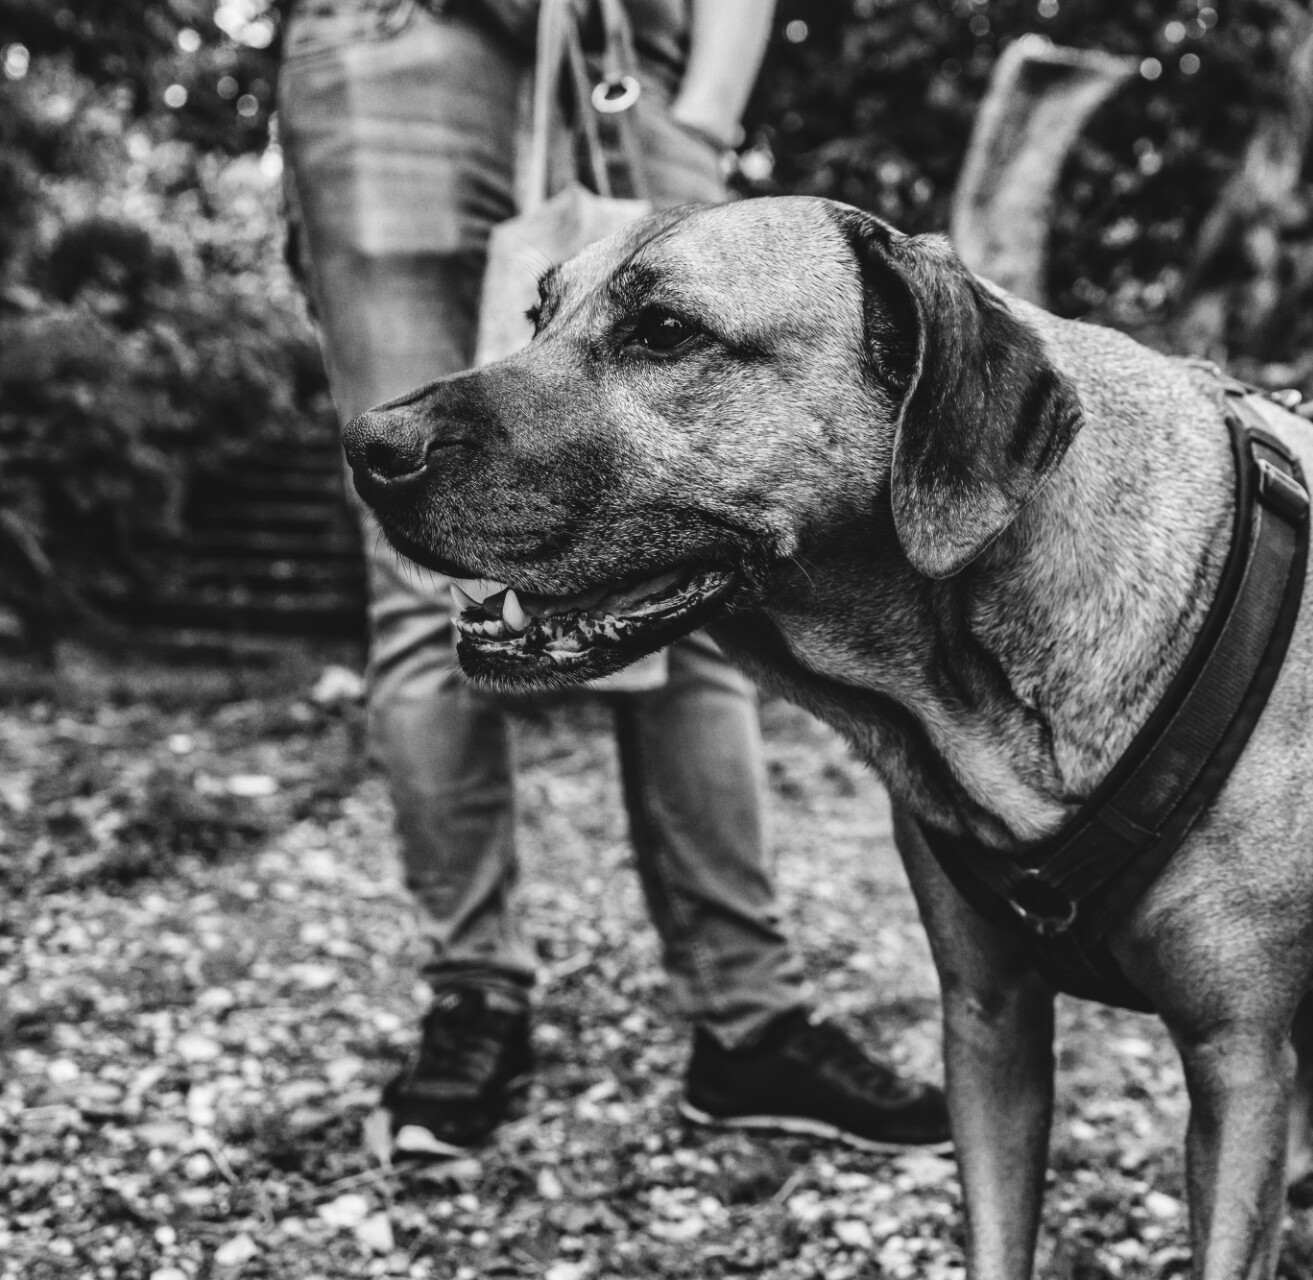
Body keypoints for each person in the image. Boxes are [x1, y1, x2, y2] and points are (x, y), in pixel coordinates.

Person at [275, 0, 949, 1158]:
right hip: (389, 48)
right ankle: (474, 991)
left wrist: (703, 107)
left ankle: (749, 1019)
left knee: (695, 529)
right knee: (426, 550)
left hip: (630, 60)